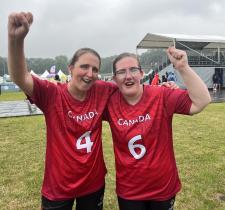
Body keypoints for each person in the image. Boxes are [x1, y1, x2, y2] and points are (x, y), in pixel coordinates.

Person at [7, 12, 116, 210]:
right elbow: (19, 76)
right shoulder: (52, 94)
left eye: (95, 69)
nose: (90, 74)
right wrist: (16, 39)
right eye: (84, 67)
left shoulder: (102, 89)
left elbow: (131, 88)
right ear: (71, 68)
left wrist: (165, 88)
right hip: (58, 186)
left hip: (93, 184)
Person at [104, 47, 211, 210]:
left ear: (141, 73)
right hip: (129, 190)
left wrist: (183, 67)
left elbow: (201, 101)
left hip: (162, 188)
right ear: (114, 78)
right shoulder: (109, 103)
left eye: (133, 69)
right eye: (121, 72)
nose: (128, 76)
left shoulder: (162, 95)